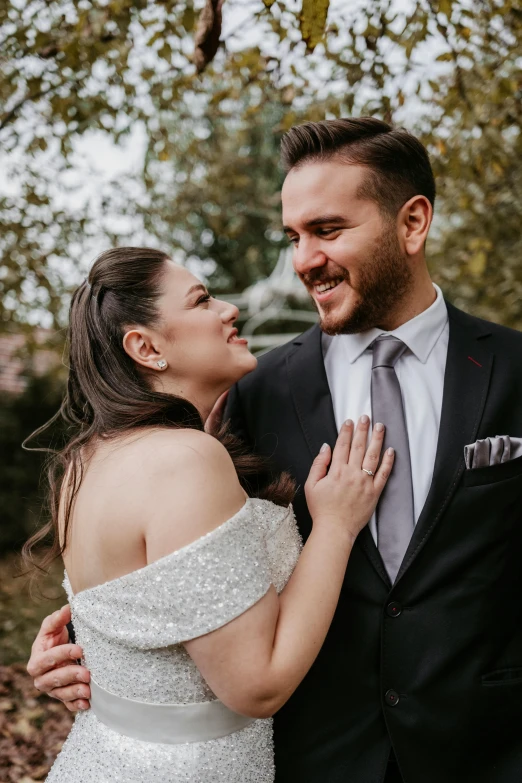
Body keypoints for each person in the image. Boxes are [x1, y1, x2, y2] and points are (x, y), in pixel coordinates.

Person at [29, 118, 522, 783]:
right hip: (316, 757)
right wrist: (91, 648)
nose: (302, 260)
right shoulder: (253, 391)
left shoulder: (514, 369)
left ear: (412, 223)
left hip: (488, 752)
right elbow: (178, 562)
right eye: (293, 236)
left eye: (327, 230)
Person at [24, 246, 393, 782]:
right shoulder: (186, 461)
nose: (229, 310)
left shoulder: (87, 460)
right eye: (201, 300)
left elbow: (135, 615)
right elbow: (257, 686)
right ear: (146, 347)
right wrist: (335, 525)